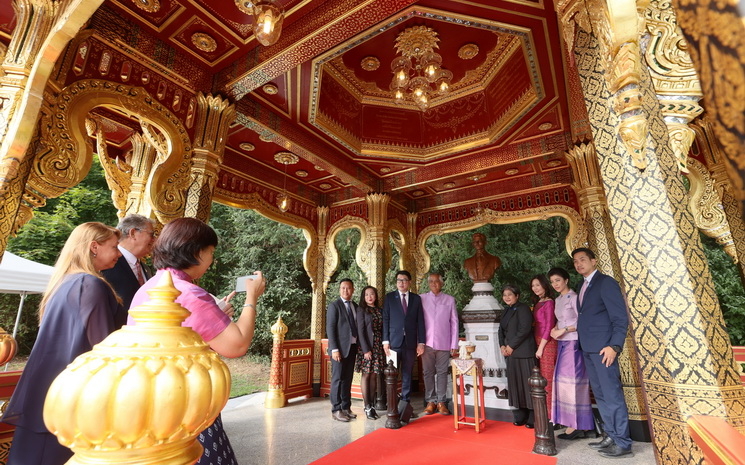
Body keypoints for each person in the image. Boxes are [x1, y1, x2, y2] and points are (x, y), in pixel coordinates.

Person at [129, 217, 266, 465]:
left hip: (149, 401)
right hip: (184, 404)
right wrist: (252, 298)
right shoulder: (189, 292)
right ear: (195, 252)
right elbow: (237, 345)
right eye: (210, 252)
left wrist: (215, 313)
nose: (212, 260)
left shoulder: (148, 287)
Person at [1, 222, 122, 465]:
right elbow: (102, 347)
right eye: (114, 247)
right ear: (94, 247)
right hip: (72, 395)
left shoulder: (64, 282)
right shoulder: (90, 284)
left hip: (47, 387)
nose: (119, 254)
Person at [572, 247, 633, 458]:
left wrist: (614, 346)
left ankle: (623, 442)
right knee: (600, 395)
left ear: (594, 261)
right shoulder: (582, 285)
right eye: (575, 261)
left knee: (612, 395)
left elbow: (620, 318)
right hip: (588, 349)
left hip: (605, 349)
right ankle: (611, 435)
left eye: (582, 259)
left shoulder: (606, 283)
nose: (578, 264)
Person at [548, 267, 594, 439]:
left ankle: (578, 426)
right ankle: (568, 421)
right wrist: (555, 329)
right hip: (562, 343)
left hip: (573, 343)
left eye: (558, 280)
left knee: (573, 383)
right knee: (562, 383)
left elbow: (583, 321)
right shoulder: (558, 299)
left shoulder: (574, 298)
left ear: (566, 280)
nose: (555, 284)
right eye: (552, 282)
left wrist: (564, 329)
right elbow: (560, 321)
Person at [102, 214, 156, 329]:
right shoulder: (107, 264)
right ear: (133, 233)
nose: (154, 240)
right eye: (151, 234)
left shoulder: (145, 268)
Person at [382, 270, 425, 405]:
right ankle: (392, 402)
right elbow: (386, 320)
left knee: (407, 374)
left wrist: (421, 342)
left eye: (404, 280)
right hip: (393, 343)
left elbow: (420, 321)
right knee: (391, 374)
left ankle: (405, 403)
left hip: (410, 343)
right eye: (399, 280)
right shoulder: (389, 298)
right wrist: (385, 341)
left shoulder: (416, 299)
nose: (401, 283)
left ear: (409, 282)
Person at [498, 284, 537, 428]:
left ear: (517, 296)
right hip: (511, 354)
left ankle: (533, 417)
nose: (507, 297)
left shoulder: (523, 308)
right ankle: (521, 415)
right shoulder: (506, 310)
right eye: (504, 295)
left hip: (524, 353)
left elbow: (524, 329)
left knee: (528, 385)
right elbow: (500, 330)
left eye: (510, 294)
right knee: (516, 385)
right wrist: (502, 345)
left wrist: (511, 346)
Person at [419, 273, 458, 415]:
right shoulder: (422, 299)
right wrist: (419, 342)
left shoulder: (449, 300)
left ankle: (441, 402)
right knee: (428, 372)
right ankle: (431, 401)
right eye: (431, 281)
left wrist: (454, 343)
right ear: (428, 283)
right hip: (426, 342)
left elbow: (454, 322)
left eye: (437, 281)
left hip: (444, 342)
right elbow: (418, 322)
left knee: (442, 372)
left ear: (442, 283)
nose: (434, 284)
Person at [327, 279, 361, 422]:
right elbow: (331, 329)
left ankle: (346, 407)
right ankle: (336, 409)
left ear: (353, 290)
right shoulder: (335, 306)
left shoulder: (355, 306)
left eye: (348, 288)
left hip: (352, 348)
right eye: (343, 288)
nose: (345, 291)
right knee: (337, 379)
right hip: (339, 349)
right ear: (339, 290)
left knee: (347, 379)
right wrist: (334, 349)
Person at [355, 285, 385, 420]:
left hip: (378, 345)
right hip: (366, 347)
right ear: (363, 297)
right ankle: (367, 406)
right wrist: (366, 349)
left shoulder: (380, 310)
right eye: (367, 295)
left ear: (376, 296)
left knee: (374, 375)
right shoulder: (361, 310)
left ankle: (372, 405)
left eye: (372, 294)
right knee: (366, 375)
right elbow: (360, 331)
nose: (369, 297)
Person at [530, 274, 557, 421]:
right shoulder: (539, 301)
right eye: (533, 286)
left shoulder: (549, 302)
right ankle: (544, 412)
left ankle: (551, 415)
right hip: (538, 340)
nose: (535, 288)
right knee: (541, 378)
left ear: (545, 286)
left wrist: (541, 347)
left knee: (548, 378)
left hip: (547, 342)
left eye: (538, 285)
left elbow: (549, 326)